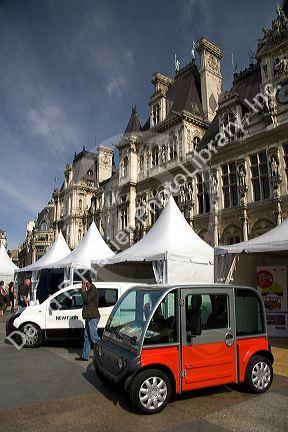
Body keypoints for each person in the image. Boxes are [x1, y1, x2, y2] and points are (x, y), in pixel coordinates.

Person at [76, 274, 100, 362]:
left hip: (93, 316)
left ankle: (101, 354)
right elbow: (84, 299)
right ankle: (85, 356)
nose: (82, 283)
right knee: (86, 336)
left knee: (94, 337)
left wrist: (83, 290)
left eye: (84, 281)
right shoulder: (88, 289)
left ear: (88, 281)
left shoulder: (93, 289)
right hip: (88, 316)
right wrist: (83, 290)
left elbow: (87, 299)